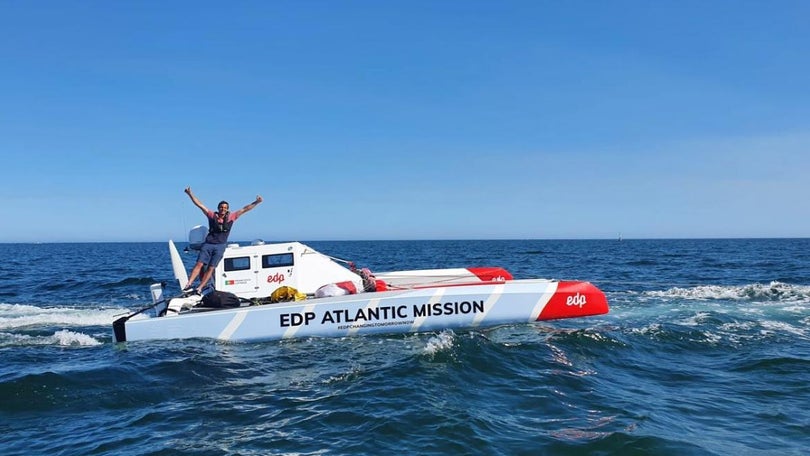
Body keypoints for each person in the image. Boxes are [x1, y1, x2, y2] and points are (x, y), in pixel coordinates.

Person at [183, 186, 263, 293]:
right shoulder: (212, 215)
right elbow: (200, 205)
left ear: (227, 209)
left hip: (220, 246)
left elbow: (245, 209)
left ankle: (200, 287)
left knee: (211, 268)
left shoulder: (231, 217)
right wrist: (190, 194)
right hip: (208, 244)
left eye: (225, 207)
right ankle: (189, 283)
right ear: (218, 208)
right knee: (199, 264)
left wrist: (256, 202)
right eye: (221, 207)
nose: (223, 209)